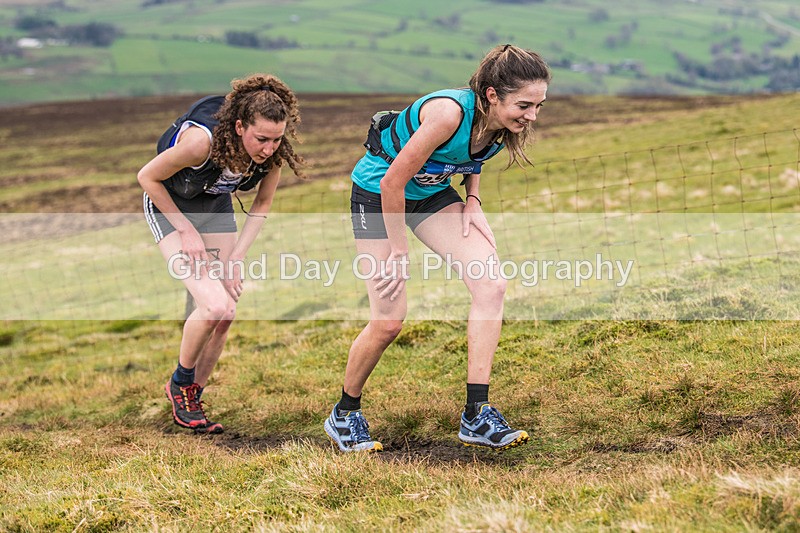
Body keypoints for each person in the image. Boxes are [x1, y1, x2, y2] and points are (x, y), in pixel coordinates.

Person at [324, 44, 551, 451]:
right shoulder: (448, 113)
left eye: (538, 105)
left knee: (491, 284)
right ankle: (344, 414)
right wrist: (398, 251)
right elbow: (391, 183)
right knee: (389, 319)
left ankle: (476, 415)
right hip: (378, 194)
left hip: (429, 195)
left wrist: (474, 201)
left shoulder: (502, 121)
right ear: (491, 95)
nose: (532, 115)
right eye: (525, 105)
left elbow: (473, 154)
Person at [138, 74, 304, 434]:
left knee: (226, 308)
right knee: (213, 305)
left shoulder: (272, 152)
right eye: (261, 139)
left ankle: (193, 395)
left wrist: (235, 259)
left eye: (277, 139)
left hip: (213, 205)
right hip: (170, 205)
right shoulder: (200, 144)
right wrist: (185, 230)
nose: (269, 148)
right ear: (240, 126)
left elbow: (262, 205)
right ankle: (179, 384)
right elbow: (147, 178)